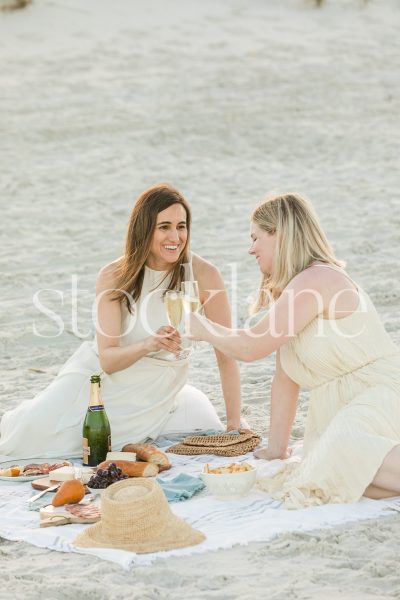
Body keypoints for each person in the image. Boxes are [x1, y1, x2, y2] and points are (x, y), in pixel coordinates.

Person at [187, 192, 400, 508]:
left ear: (281, 236)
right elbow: (285, 377)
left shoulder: (318, 279)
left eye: (256, 238)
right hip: (345, 407)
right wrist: (277, 449)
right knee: (335, 472)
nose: (251, 249)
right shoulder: (293, 289)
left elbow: (250, 347)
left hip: (380, 394)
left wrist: (203, 327)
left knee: (343, 451)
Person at [0, 183, 242, 459]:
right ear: (144, 229)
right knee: (25, 438)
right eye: (164, 227)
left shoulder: (205, 274)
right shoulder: (115, 275)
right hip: (101, 385)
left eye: (181, 226)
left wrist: (234, 424)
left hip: (156, 394)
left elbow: (227, 353)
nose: (175, 236)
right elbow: (108, 360)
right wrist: (149, 344)